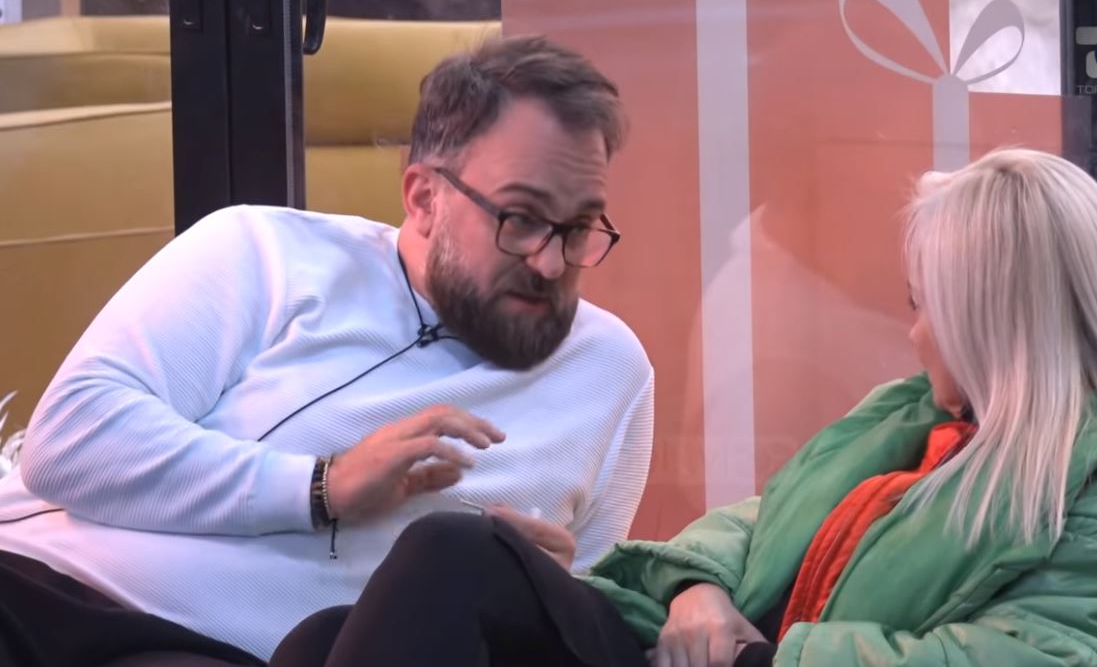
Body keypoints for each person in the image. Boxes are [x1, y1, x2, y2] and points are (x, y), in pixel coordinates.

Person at [330, 147, 1097, 667]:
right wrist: (695, 591)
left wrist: (757, 654)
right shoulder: (914, 419)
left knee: (455, 558)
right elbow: (753, 524)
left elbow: (1047, 656)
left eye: (924, 307)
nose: (914, 334)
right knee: (328, 638)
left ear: (994, 324)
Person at [0, 34, 654, 666]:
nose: (550, 263)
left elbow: (593, 603)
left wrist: (542, 594)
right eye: (521, 219)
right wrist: (322, 485)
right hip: (44, 591)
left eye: (578, 227)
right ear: (425, 197)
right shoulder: (266, 251)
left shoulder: (607, 372)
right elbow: (71, 440)